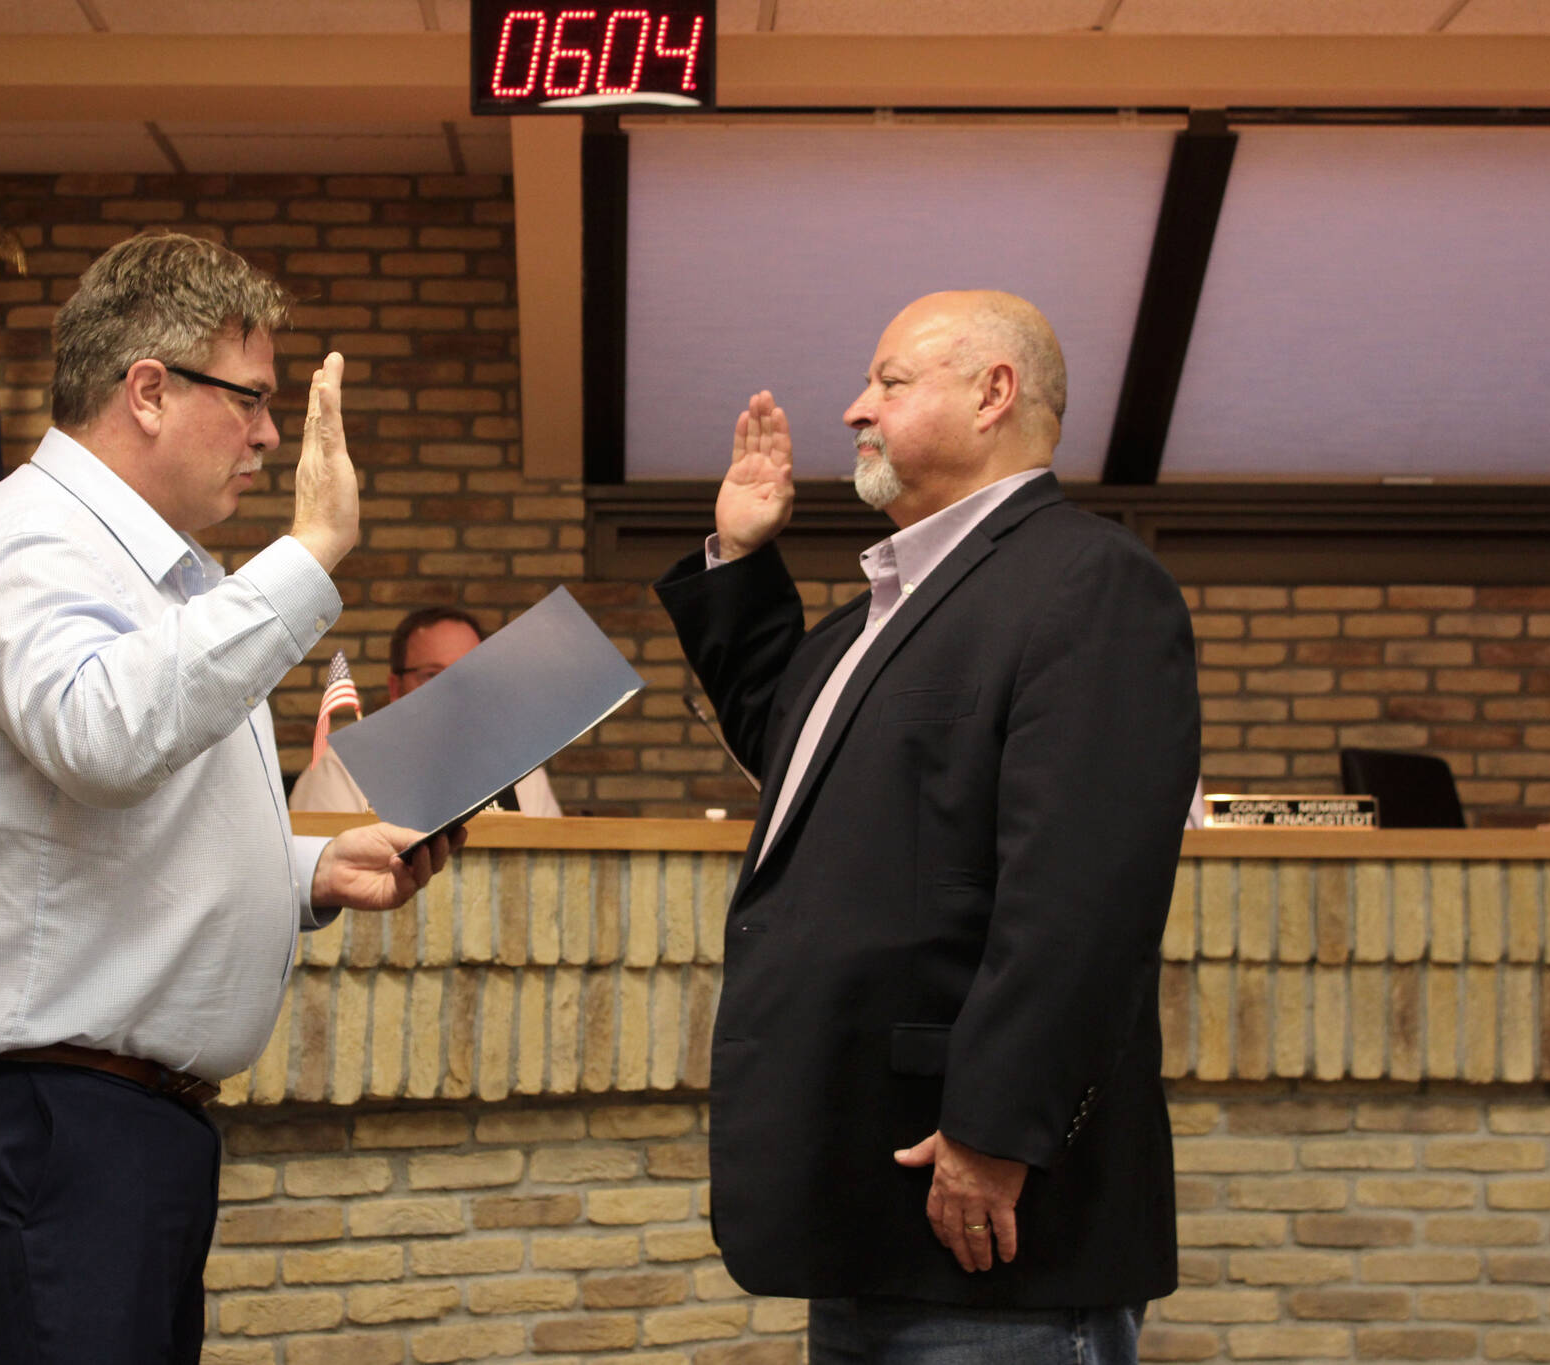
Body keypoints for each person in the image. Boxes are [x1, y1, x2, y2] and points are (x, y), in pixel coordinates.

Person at [0, 233, 462, 1365]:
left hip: (100, 1127)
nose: (272, 436)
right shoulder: (33, 543)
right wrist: (313, 550)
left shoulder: (162, 569)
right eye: (251, 401)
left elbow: (117, 818)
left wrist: (305, 871)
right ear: (147, 391)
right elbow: (102, 735)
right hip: (33, 1125)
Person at [655, 291, 1199, 1363]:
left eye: (889, 382)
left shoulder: (1088, 583)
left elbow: (1079, 899)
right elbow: (798, 752)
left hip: (989, 1220)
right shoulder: (890, 602)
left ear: (993, 392)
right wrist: (736, 553)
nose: (855, 409)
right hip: (863, 1204)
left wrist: (996, 1133)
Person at [289, 605, 563, 816]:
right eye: (433, 676)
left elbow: (555, 872)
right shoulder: (342, 769)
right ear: (396, 688)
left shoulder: (521, 773)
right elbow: (317, 876)